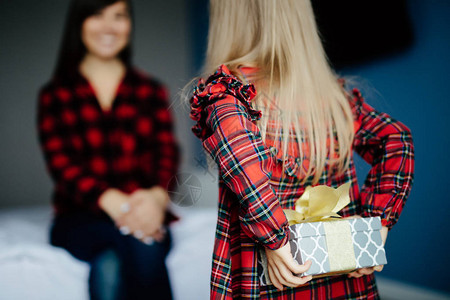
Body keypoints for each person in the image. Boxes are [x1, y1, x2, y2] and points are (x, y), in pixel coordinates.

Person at [187, 0, 414, 299]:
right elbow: (396, 138)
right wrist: (378, 223)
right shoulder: (332, 97)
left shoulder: (228, 95)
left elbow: (242, 163)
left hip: (272, 282)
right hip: (345, 279)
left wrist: (279, 242)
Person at [37, 0, 179, 299]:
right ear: (80, 23)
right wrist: (118, 204)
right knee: (142, 242)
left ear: (130, 25)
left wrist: (155, 199)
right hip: (80, 218)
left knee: (111, 262)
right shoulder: (55, 95)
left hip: (147, 211)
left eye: (119, 16)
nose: (109, 27)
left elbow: (166, 154)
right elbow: (63, 167)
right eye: (97, 15)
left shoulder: (150, 91)